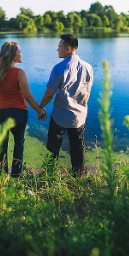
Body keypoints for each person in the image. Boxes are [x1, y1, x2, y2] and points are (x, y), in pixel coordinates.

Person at [0, 40, 47, 178]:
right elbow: (27, 95)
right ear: (12, 54)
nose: (21, 53)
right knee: (19, 142)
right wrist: (39, 110)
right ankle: (16, 175)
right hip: (19, 113)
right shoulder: (20, 73)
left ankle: (2, 175)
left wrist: (0, 107)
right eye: (19, 51)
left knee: (2, 144)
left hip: (1, 112)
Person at [38, 35, 93, 177]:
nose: (57, 49)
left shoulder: (59, 68)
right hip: (79, 116)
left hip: (60, 115)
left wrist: (40, 107)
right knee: (78, 146)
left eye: (59, 47)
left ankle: (49, 175)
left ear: (68, 49)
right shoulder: (88, 67)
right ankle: (78, 174)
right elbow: (87, 93)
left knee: (53, 147)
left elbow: (49, 94)